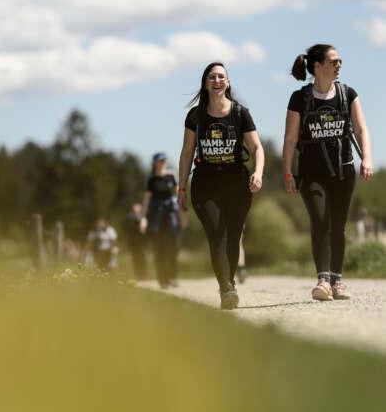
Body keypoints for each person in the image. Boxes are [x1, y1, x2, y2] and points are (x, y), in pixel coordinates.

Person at [283, 43, 373, 301]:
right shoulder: (299, 99)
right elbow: (290, 139)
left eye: (340, 61)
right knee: (320, 221)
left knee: (338, 226)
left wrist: (366, 158)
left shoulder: (348, 94)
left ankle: (338, 281)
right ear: (318, 66)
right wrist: (288, 171)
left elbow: (361, 129)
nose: (339, 65)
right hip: (311, 173)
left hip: (343, 171)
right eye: (334, 61)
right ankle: (323, 280)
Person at [177, 62, 264, 309]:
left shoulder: (240, 113)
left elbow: (257, 147)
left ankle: (230, 281)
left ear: (227, 82)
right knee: (217, 234)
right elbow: (186, 153)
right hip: (205, 183)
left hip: (237, 182)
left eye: (221, 77)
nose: (217, 80)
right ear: (205, 83)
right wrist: (181, 188)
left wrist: (257, 173)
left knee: (233, 236)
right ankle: (226, 288)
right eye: (212, 77)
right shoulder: (195, 116)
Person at [140, 153, 181, 289]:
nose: (163, 162)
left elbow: (179, 194)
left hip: (171, 215)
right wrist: (143, 218)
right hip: (156, 216)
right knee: (159, 248)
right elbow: (146, 201)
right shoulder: (151, 179)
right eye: (160, 160)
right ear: (155, 163)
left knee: (172, 247)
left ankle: (172, 276)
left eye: (164, 160)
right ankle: (162, 278)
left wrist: (183, 214)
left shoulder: (171, 176)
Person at [124, 202, 148, 280]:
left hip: (141, 242)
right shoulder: (129, 217)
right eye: (135, 207)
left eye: (138, 208)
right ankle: (138, 274)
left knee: (142, 258)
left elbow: (143, 230)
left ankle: (143, 274)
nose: (136, 209)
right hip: (133, 242)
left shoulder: (143, 218)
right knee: (135, 258)